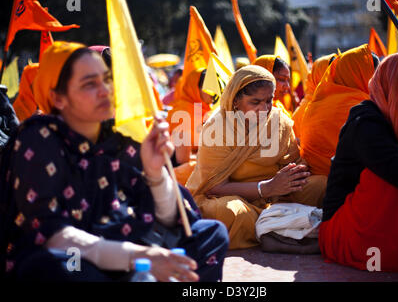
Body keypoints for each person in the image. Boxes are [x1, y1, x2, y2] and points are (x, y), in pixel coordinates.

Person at [0, 41, 228, 282]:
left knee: (210, 234)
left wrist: (155, 174)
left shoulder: (121, 137)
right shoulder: (38, 137)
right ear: (58, 98)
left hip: (127, 245)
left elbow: (172, 218)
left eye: (109, 80)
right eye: (90, 84)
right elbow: (52, 234)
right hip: (83, 258)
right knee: (61, 267)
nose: (106, 91)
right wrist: (137, 256)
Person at [319, 53, 398, 278]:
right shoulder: (365, 121)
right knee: (397, 171)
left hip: (385, 227)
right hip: (345, 232)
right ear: (394, 86)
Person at [186, 65, 327, 250]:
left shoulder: (279, 121)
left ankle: (276, 227)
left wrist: (294, 175)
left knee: (321, 185)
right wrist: (266, 188)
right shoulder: (216, 127)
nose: (265, 108)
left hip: (277, 197)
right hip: (233, 198)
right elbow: (215, 186)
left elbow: (294, 164)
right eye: (255, 102)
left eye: (269, 100)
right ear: (236, 100)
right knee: (228, 212)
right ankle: (280, 228)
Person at [299, 44, 379, 176]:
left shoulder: (315, 104)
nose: (379, 82)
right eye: (375, 76)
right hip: (343, 184)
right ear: (360, 75)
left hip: (318, 182)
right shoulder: (360, 107)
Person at [167, 68, 213, 186]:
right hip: (176, 174)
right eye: (209, 87)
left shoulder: (203, 110)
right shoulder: (183, 112)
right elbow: (182, 160)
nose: (214, 92)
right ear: (195, 88)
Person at [292, 53, 337, 139]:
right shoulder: (304, 111)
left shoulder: (339, 102)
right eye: (329, 74)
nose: (335, 78)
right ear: (318, 77)